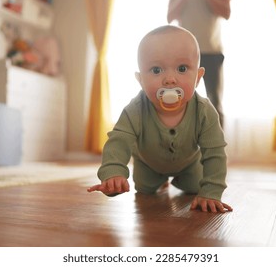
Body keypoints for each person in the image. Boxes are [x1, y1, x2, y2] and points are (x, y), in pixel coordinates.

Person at [87, 25, 232, 213]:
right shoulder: (135, 109)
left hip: (189, 164)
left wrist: (211, 192)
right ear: (141, 80)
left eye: (182, 68)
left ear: (198, 77)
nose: (170, 79)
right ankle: (159, 180)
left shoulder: (204, 111)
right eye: (156, 70)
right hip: (148, 165)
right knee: (145, 189)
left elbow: (215, 152)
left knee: (195, 187)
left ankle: (183, 179)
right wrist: (113, 173)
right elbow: (119, 141)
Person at [167, 0, 232, 127]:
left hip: (212, 53)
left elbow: (226, 13)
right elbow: (170, 16)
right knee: (179, 102)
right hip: (184, 55)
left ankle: (217, 148)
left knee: (215, 103)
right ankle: (180, 146)